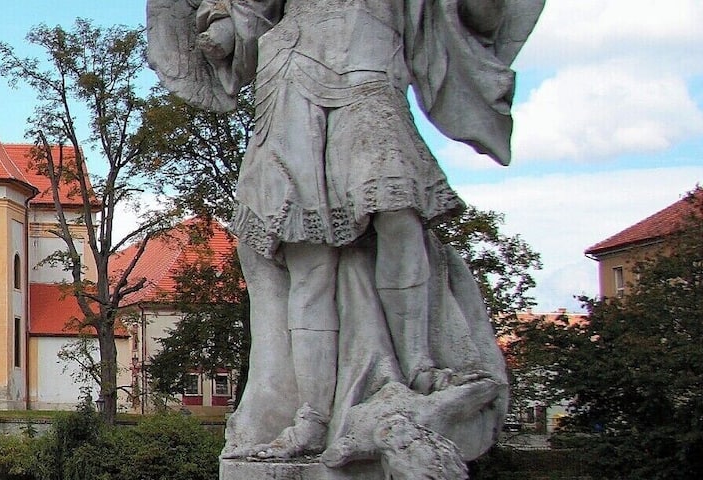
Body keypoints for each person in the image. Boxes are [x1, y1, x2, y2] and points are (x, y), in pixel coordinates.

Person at [146, 0, 539, 468]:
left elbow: (474, 13)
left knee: (399, 213)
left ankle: (418, 366)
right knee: (309, 260)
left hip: (371, 56)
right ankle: (311, 416)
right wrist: (227, 26)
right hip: (292, 66)